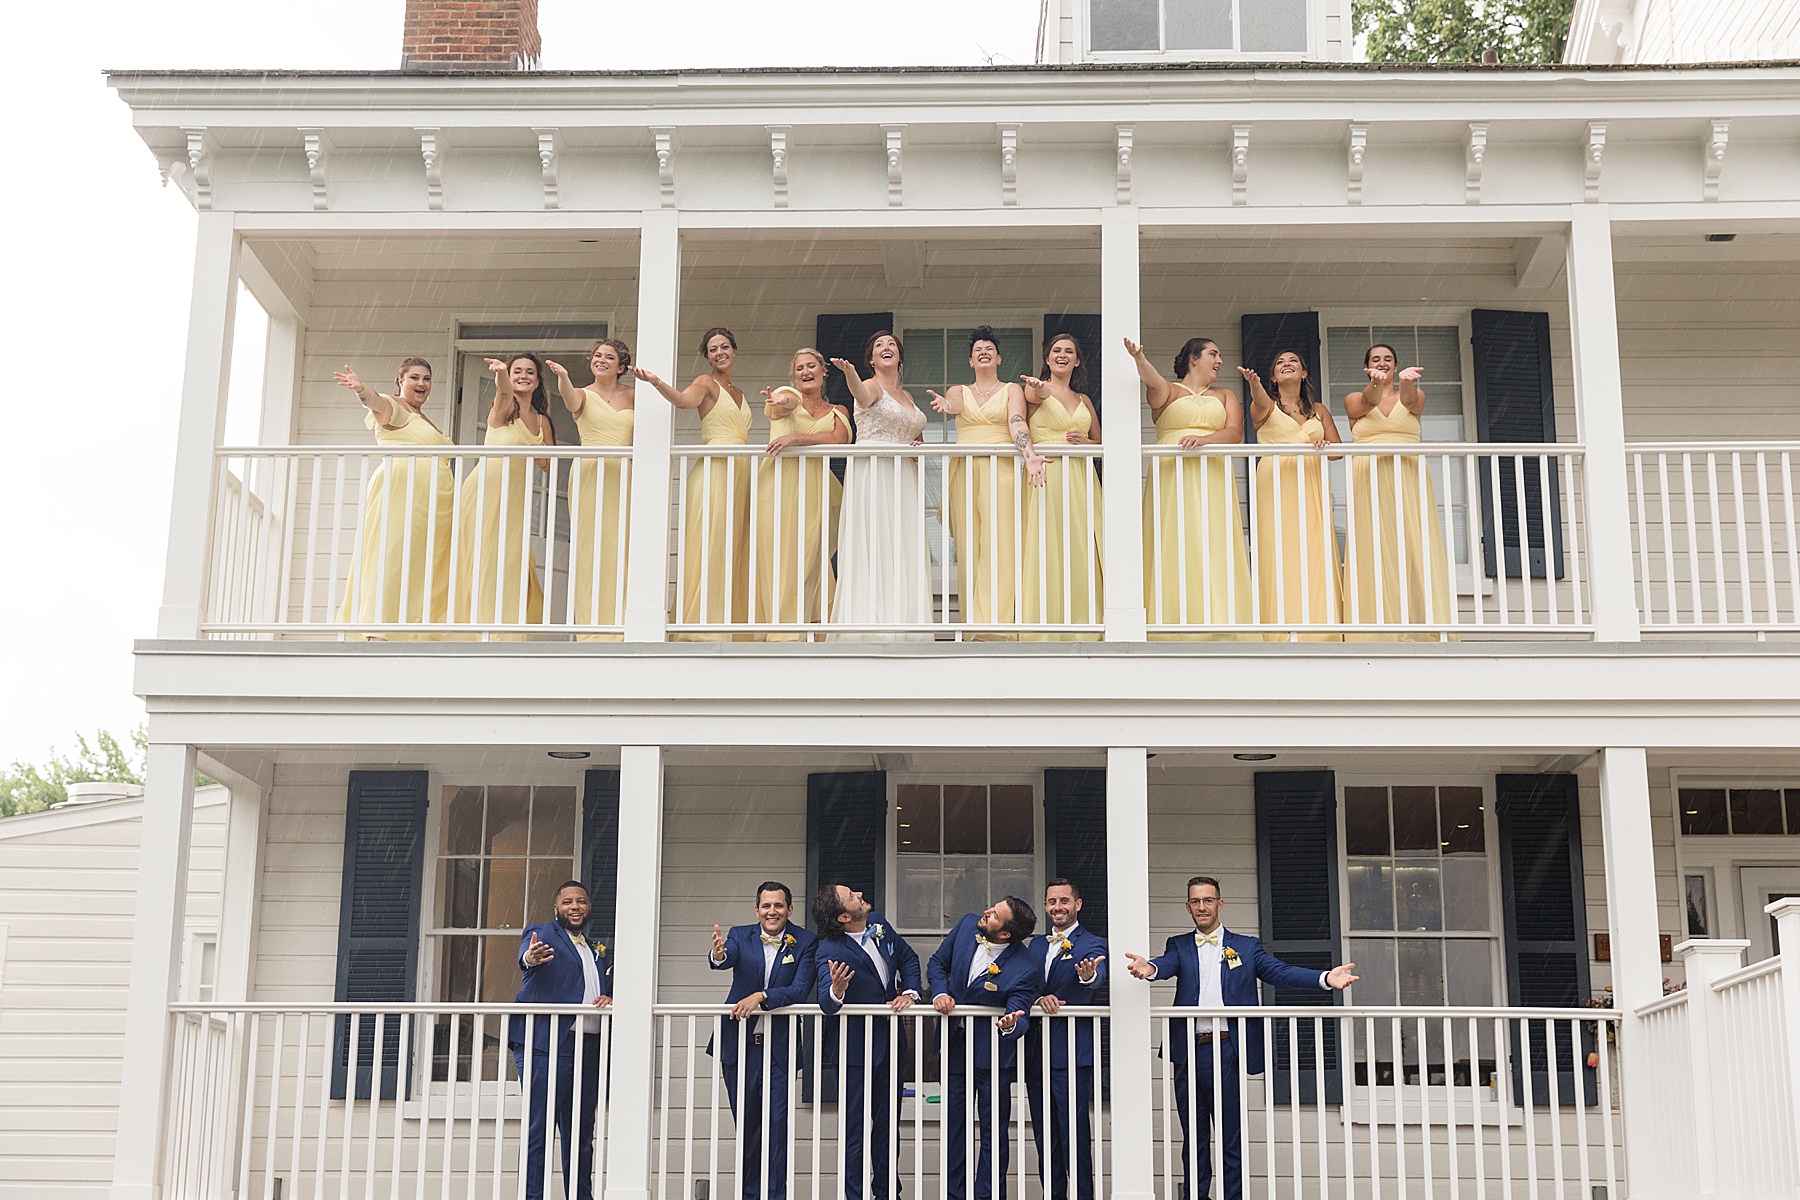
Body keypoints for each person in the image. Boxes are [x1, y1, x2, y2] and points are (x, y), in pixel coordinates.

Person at [1124, 877, 1357, 1200]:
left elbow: (1280, 972)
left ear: (1220, 904)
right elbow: (1165, 965)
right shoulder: (1178, 944)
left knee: (1230, 1138)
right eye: (1195, 901)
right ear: (1187, 906)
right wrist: (1149, 968)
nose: (1201, 907)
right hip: (1188, 1051)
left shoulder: (1246, 947)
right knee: (1193, 1137)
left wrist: (1324, 978)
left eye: (1208, 900)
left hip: (1227, 1049)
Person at [1128, 336, 1253, 639]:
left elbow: (1235, 432)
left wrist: (1204, 440)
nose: (1220, 360)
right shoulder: (1168, 392)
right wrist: (1139, 359)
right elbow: (1152, 380)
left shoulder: (1224, 395)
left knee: (1212, 539)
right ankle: (1171, 622)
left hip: (1212, 475)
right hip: (1174, 475)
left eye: (1220, 354)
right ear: (1193, 359)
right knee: (1175, 537)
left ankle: (1219, 621)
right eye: (1213, 354)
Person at [635, 328, 753, 639]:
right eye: (713, 349)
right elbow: (685, 402)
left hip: (740, 472)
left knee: (735, 546)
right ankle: (703, 623)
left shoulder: (738, 391)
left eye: (724, 347)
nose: (719, 353)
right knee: (713, 543)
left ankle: (731, 622)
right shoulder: (706, 383)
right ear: (707, 355)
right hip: (716, 471)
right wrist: (658, 383)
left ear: (734, 350)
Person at [929, 327, 1042, 639]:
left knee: (999, 542)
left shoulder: (1011, 391)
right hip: (964, 471)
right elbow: (955, 406)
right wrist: (945, 405)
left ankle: (998, 624)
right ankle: (975, 624)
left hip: (1000, 470)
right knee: (969, 547)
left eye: (989, 348)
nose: (983, 351)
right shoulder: (959, 391)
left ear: (998, 357)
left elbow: (1017, 421)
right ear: (970, 361)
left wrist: (1030, 455)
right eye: (978, 348)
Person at [707, 882, 818, 1200]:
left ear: (790, 909)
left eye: (779, 905)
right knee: (748, 1128)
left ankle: (774, 1195)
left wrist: (761, 996)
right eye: (766, 906)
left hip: (778, 1051)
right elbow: (725, 959)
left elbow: (798, 990)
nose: (772, 911)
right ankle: (749, 1195)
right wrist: (717, 954)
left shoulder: (806, 941)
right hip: (739, 1048)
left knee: (777, 1127)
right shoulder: (741, 935)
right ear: (757, 910)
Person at [927, 897, 1042, 1200]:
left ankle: (988, 1196)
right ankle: (955, 1195)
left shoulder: (1024, 967)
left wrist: (1009, 1025)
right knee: (955, 1130)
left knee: (993, 1133)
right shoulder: (966, 925)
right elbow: (937, 963)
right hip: (954, 1048)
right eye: (993, 906)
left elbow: (1020, 1014)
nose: (986, 911)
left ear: (1005, 934)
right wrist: (939, 992)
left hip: (992, 1055)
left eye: (995, 915)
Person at [332, 358, 455, 639]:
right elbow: (377, 403)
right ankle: (378, 632)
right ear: (400, 381)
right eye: (414, 377)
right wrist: (361, 390)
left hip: (431, 503)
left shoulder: (422, 417)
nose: (421, 383)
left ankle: (412, 634)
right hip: (403, 491)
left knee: (421, 565)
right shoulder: (395, 406)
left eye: (426, 378)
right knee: (391, 556)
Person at [814, 884, 922, 1200]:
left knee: (888, 1127)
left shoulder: (879, 925)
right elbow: (826, 1001)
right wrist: (837, 990)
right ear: (844, 916)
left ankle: (888, 1193)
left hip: (890, 1044)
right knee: (855, 1130)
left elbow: (909, 958)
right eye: (851, 896)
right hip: (854, 1049)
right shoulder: (829, 951)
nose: (860, 894)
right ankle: (855, 1195)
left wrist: (910, 992)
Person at [1341, 343, 1454, 640]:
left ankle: (1419, 626)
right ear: (1366, 365)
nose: (1382, 362)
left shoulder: (1414, 394)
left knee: (1413, 542)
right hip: (1370, 477)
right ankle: (1376, 629)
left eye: (1388, 359)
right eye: (1376, 359)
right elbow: (1365, 404)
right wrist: (1375, 385)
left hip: (1408, 475)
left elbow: (1412, 403)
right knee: (1374, 544)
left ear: (1396, 364)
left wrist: (1405, 382)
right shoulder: (1354, 398)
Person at [510, 881, 614, 1200]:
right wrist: (530, 957)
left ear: (588, 907)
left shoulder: (596, 948)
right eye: (567, 901)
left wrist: (610, 998)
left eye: (581, 901)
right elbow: (527, 956)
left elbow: (598, 988)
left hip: (589, 1050)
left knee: (581, 1136)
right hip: (548, 1045)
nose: (575, 906)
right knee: (539, 1131)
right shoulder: (542, 934)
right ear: (557, 909)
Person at [829, 333, 932, 640]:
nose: (886, 348)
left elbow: (915, 434)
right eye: (879, 346)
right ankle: (872, 624)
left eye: (891, 345)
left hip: (904, 474)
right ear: (871, 360)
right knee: (874, 539)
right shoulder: (871, 385)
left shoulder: (908, 396)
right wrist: (850, 374)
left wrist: (917, 448)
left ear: (899, 356)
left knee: (902, 542)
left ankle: (905, 622)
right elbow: (861, 395)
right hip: (874, 470)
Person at [1242, 350, 1345, 642]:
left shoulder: (1319, 410)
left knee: (1315, 549)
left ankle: (1319, 628)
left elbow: (1338, 452)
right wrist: (1254, 384)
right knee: (1280, 549)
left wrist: (1324, 443)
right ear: (1274, 376)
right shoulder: (1264, 406)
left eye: (1293, 362)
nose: (1287, 365)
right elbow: (1260, 403)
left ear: (1303, 373)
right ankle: (1280, 629)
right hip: (1277, 481)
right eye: (1280, 363)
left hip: (1310, 481)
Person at [453, 353, 554, 638]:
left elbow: (547, 464)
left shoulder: (541, 420)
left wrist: (535, 451)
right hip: (485, 492)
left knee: (511, 562)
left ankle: (506, 631)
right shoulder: (502, 408)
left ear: (537, 381)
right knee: (485, 560)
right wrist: (499, 374)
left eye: (530, 372)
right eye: (517, 371)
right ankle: (479, 631)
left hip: (514, 500)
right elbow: (504, 391)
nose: (524, 375)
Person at [755, 350, 850, 640]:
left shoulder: (838, 411)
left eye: (811, 366)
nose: (805, 372)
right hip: (779, 486)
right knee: (780, 556)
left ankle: (806, 628)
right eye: (799, 368)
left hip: (815, 487)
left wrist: (798, 438)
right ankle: (780, 632)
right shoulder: (785, 394)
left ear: (824, 372)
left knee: (810, 557)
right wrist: (781, 402)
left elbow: (838, 440)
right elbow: (785, 404)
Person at [1024, 879, 1107, 1200]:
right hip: (1036, 1054)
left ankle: (1083, 1195)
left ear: (1078, 905)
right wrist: (1035, 999)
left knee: (1074, 1135)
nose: (1057, 907)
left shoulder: (1092, 944)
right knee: (1046, 1137)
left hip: (1071, 1052)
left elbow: (1096, 977)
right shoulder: (1036, 946)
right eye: (1051, 902)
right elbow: (1026, 984)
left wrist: (1088, 976)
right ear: (1045, 906)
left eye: (1064, 901)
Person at [548, 339, 634, 641]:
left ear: (621, 366)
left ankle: (624, 623)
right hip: (592, 475)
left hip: (625, 477)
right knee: (594, 547)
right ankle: (594, 628)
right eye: (597, 355)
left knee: (623, 546)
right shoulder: (583, 394)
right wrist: (563, 378)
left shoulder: (635, 397)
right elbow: (571, 400)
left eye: (609, 357)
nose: (601, 360)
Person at [1019, 335, 1104, 640]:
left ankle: (1082, 623)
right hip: (1047, 473)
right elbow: (1027, 414)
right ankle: (1045, 621)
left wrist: (1088, 442)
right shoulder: (1036, 390)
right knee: (1046, 543)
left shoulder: (1084, 400)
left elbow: (1100, 441)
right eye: (1057, 351)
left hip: (1080, 477)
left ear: (1077, 361)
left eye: (1069, 351)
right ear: (1048, 358)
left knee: (1079, 545)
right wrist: (1039, 388)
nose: (1062, 355)